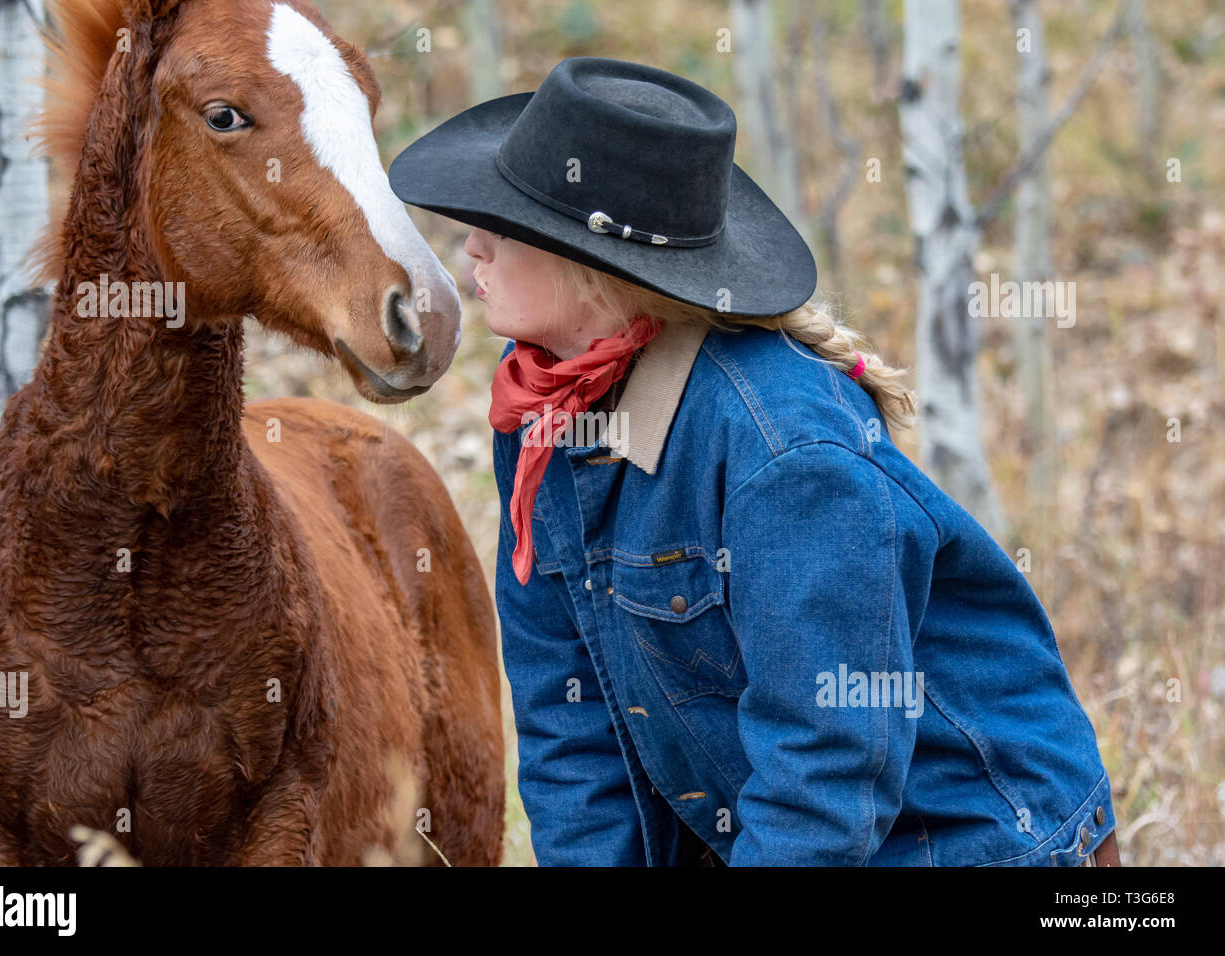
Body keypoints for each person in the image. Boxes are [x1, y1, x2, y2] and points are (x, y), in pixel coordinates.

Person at [388, 56, 1120, 867]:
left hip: (972, 842)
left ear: (595, 272)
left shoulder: (786, 454)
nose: (473, 246)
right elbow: (569, 726)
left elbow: (827, 774)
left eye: (508, 226)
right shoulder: (539, 412)